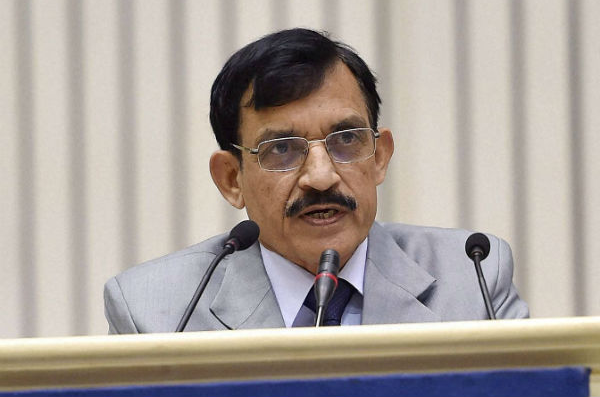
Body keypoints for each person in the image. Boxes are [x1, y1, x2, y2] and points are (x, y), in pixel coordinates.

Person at [104, 28, 528, 334]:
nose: (321, 177)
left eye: (346, 140)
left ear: (379, 157)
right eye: (282, 149)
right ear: (232, 179)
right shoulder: (156, 312)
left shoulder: (472, 278)